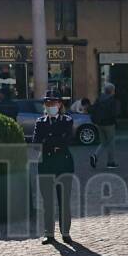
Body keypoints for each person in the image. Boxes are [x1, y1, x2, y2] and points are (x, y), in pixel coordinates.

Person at [32, 91, 75, 244]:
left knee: (64, 201)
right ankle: (49, 234)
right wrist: (55, 141)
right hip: (46, 166)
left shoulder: (67, 120)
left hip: (64, 165)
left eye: (53, 103)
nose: (50, 106)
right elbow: (36, 142)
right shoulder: (40, 121)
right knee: (47, 202)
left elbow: (67, 140)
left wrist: (48, 141)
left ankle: (66, 233)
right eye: (48, 104)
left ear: (60, 104)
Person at [89, 82, 119, 169]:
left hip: (99, 123)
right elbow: (114, 113)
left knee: (103, 142)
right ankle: (111, 162)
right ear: (112, 91)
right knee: (111, 143)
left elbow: (93, 109)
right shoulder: (112, 100)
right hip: (109, 124)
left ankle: (95, 155)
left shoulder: (99, 98)